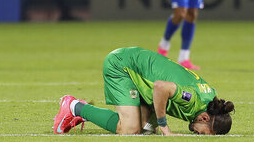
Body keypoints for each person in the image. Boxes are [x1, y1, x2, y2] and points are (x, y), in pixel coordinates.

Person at [53, 47, 234, 136]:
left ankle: (81, 110)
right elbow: (161, 88)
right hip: (122, 66)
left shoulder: (210, 97)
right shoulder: (193, 99)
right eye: (202, 132)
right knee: (129, 129)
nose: (197, 134)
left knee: (145, 131)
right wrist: (164, 127)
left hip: (143, 76)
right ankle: (75, 107)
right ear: (205, 118)